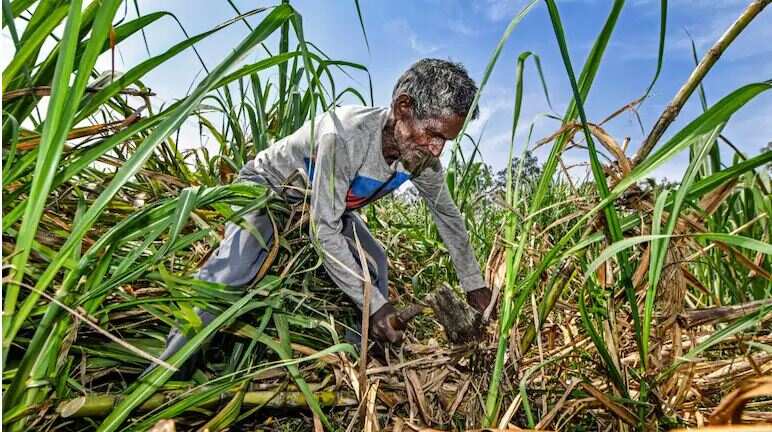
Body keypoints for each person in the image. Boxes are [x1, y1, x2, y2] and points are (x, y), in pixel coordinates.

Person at [151, 58, 494, 373]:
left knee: (376, 263)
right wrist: (372, 303)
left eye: (446, 139)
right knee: (235, 270)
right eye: (433, 134)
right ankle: (167, 370)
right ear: (403, 107)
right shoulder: (346, 136)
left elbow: (448, 219)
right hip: (271, 189)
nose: (437, 149)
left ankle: (359, 360)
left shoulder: (423, 161)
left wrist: (474, 283)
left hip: (324, 203)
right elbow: (324, 231)